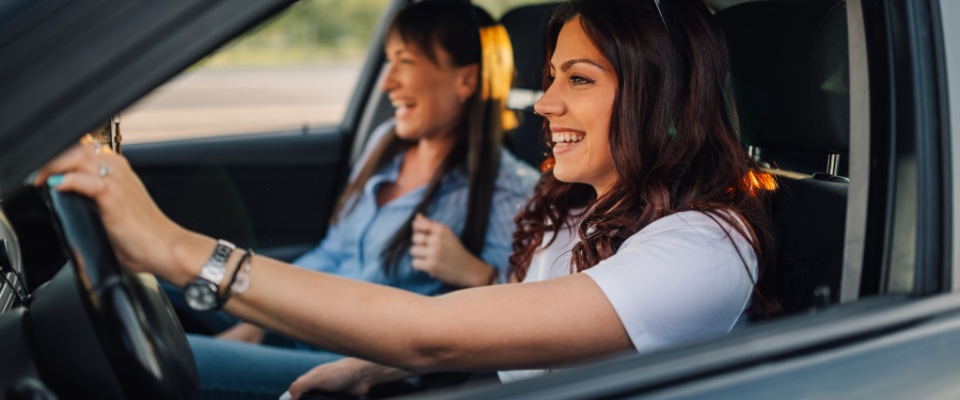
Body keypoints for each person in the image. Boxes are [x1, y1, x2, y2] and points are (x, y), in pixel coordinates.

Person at [35, 0, 782, 398]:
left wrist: (176, 249)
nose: (542, 104)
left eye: (578, 80)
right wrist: (374, 368)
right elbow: (486, 334)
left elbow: (434, 331)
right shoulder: (586, 209)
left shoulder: (703, 248)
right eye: (549, 76)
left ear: (661, 95)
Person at [159, 2, 538, 399]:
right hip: (299, 323)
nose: (386, 83)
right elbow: (332, 252)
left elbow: (512, 322)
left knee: (173, 361)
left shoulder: (509, 191)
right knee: (157, 281)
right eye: (388, 61)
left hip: (358, 363)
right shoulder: (385, 143)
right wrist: (263, 319)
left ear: (466, 80)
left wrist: (478, 275)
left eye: (404, 61)